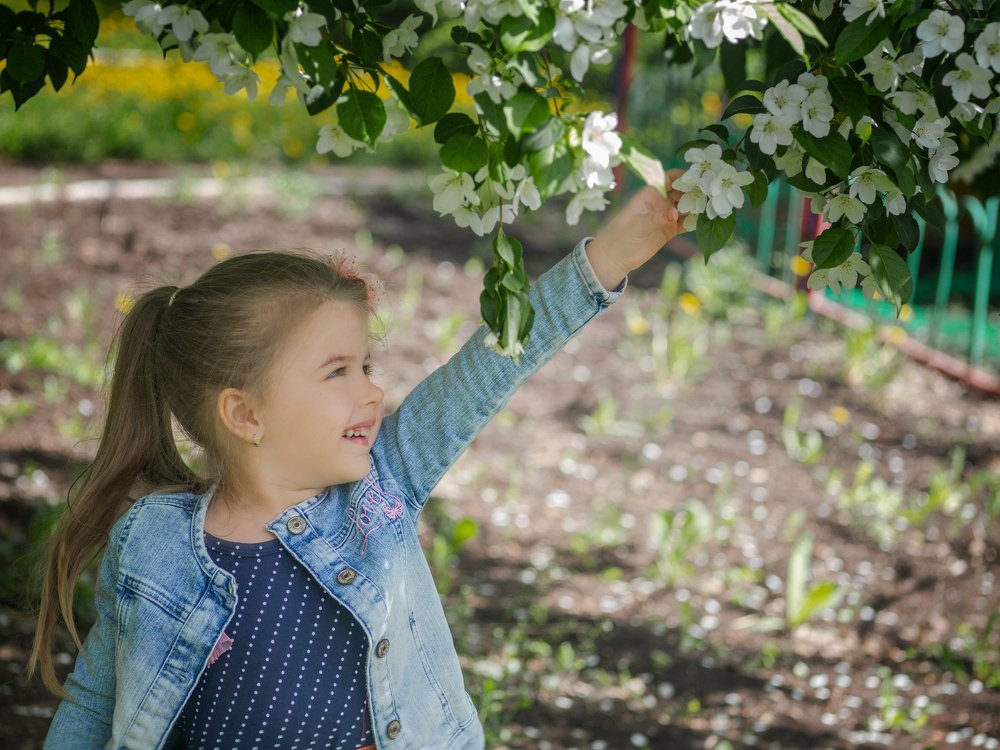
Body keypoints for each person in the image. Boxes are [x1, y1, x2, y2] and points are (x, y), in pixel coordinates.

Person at [28, 175, 689, 749]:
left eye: (365, 366)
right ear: (246, 415)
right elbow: (95, 703)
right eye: (337, 371)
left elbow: (488, 369)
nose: (371, 392)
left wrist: (606, 259)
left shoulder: (382, 486)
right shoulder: (152, 542)